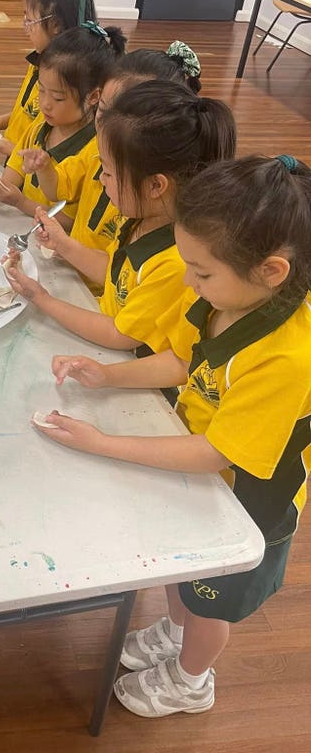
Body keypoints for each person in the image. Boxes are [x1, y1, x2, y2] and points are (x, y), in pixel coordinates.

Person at [41, 155, 311, 719]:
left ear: (271, 271)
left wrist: (103, 442)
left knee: (210, 603)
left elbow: (218, 452)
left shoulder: (285, 358)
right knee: (183, 576)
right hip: (203, 474)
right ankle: (176, 626)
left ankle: (193, 680)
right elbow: (181, 359)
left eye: (202, 272)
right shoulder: (226, 298)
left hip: (248, 503)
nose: (189, 280)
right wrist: (108, 376)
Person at [6, 80, 236, 353]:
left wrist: (41, 298)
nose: (101, 181)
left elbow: (119, 334)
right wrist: (63, 244)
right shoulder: (145, 214)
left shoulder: (177, 261)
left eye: (108, 172)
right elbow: (115, 273)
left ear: (155, 186)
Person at [34, 41, 204, 283]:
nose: (107, 125)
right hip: (73, 275)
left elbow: (117, 280)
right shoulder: (100, 150)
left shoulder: (143, 203)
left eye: (120, 114)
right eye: (102, 108)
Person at [0, 23, 125, 219]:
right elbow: (15, 169)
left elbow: (67, 221)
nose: (45, 104)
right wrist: (0, 188)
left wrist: (19, 201)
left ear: (92, 97)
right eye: (41, 90)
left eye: (58, 98)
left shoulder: (93, 151)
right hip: (22, 222)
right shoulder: (41, 124)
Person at [0, 0, 96, 158]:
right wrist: (1, 122)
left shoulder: (62, 82)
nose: (25, 28)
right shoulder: (40, 61)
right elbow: (29, 112)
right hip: (12, 165)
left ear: (55, 25)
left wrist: (10, 151)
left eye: (30, 21)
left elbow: (52, 160)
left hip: (28, 176)